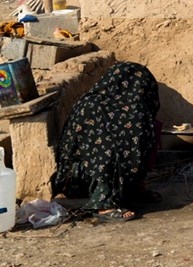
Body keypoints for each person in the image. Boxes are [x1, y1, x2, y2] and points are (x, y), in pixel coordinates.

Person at [51, 62, 162, 222]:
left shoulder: (130, 109)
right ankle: (104, 205)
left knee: (151, 128)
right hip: (84, 179)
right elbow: (102, 152)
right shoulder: (93, 106)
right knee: (114, 148)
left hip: (101, 174)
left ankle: (134, 188)